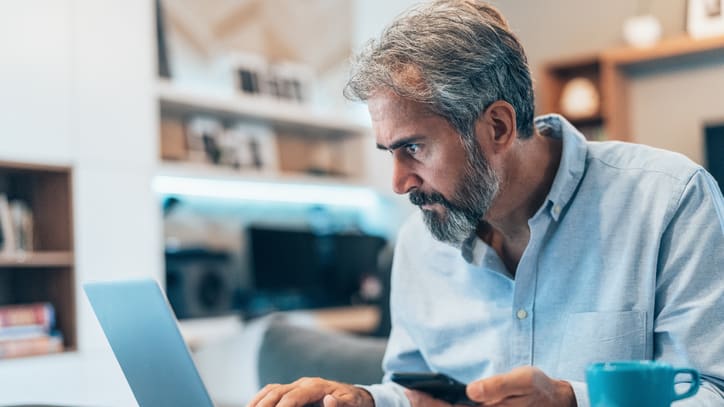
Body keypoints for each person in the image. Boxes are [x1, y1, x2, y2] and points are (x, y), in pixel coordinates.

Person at [247, 1, 724, 406]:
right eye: (388, 152)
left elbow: (712, 392)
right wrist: (369, 399)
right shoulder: (420, 241)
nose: (398, 183)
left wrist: (573, 400)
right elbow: (423, 389)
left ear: (497, 127)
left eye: (413, 147)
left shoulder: (670, 201)